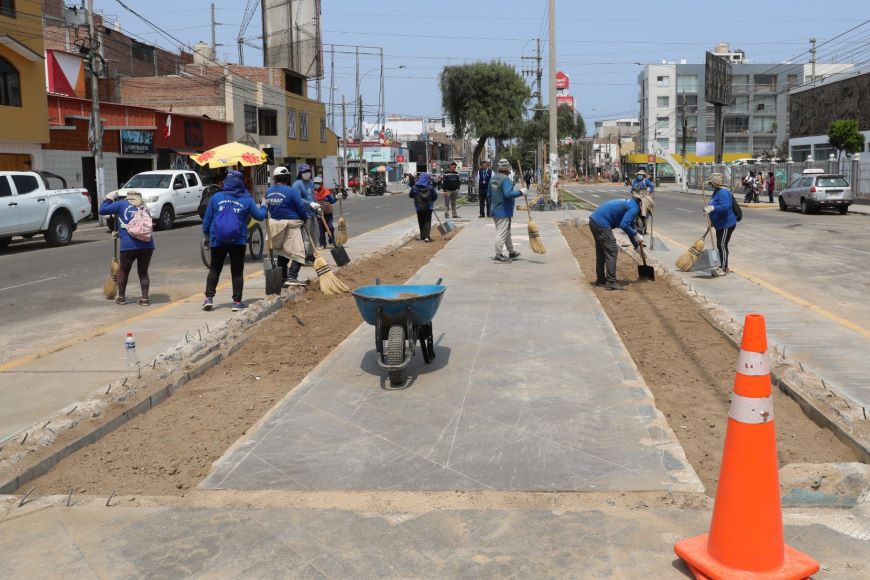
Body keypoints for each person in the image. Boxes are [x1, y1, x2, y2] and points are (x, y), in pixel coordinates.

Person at [201, 169, 267, 311]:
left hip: (217, 239)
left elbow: (207, 220)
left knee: (214, 269)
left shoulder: (216, 197)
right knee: (237, 271)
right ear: (240, 183)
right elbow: (260, 216)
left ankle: (208, 298)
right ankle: (237, 302)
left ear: (226, 183)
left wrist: (206, 236)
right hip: (238, 241)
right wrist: (264, 206)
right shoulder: (247, 199)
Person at [588, 189, 653, 291]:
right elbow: (624, 225)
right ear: (643, 206)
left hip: (594, 221)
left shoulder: (631, 204)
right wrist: (636, 234)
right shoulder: (634, 208)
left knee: (602, 252)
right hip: (602, 223)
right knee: (612, 250)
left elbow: (629, 228)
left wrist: (637, 248)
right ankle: (611, 282)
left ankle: (600, 279)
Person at [99, 190, 155, 306]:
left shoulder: (121, 204)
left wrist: (108, 199)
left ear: (128, 198)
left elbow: (102, 210)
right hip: (147, 245)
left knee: (123, 270)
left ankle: (121, 297)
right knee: (143, 272)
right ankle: (145, 299)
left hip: (128, 245)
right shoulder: (144, 208)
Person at [266, 166, 316, 287]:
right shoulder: (291, 191)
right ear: (288, 178)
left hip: (276, 225)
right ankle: (292, 276)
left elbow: (267, 207)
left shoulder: (269, 191)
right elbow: (300, 208)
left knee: (283, 252)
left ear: (274, 178)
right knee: (300, 252)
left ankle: (284, 278)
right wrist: (304, 218)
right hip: (291, 225)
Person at [488, 158, 525, 263]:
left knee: (506, 232)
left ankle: (511, 252)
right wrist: (521, 192)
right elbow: (508, 194)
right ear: (507, 169)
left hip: (495, 209)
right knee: (502, 232)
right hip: (503, 210)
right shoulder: (505, 179)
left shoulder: (493, 179)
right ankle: (498, 254)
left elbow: (489, 195)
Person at [703, 172, 737, 277]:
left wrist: (713, 208)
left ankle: (724, 268)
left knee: (722, 245)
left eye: (711, 183)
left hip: (726, 223)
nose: (710, 185)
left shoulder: (723, 192)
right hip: (719, 223)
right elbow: (715, 204)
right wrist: (712, 219)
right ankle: (723, 265)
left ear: (715, 183)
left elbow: (725, 207)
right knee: (720, 245)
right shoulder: (716, 191)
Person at [290, 163, 316, 263]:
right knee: (305, 237)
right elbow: (297, 199)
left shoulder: (311, 182)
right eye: (304, 172)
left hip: (312, 213)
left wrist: (316, 205)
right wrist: (310, 203)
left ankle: (311, 255)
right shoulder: (297, 184)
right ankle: (304, 256)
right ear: (300, 173)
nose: (307, 173)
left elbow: (313, 196)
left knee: (313, 236)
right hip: (303, 214)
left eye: (308, 171)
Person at [409, 172, 437, 242]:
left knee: (421, 221)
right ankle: (427, 237)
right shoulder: (430, 187)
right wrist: (431, 201)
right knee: (427, 221)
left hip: (419, 207)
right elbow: (435, 196)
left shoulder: (415, 187)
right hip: (429, 207)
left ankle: (422, 237)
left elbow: (410, 196)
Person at [313, 175, 337, 248]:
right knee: (320, 230)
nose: (316, 185)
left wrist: (337, 197)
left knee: (330, 227)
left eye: (318, 183)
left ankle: (332, 241)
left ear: (321, 184)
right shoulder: (312, 193)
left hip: (328, 213)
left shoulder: (326, 192)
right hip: (318, 214)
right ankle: (322, 244)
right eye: (315, 183)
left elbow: (332, 200)